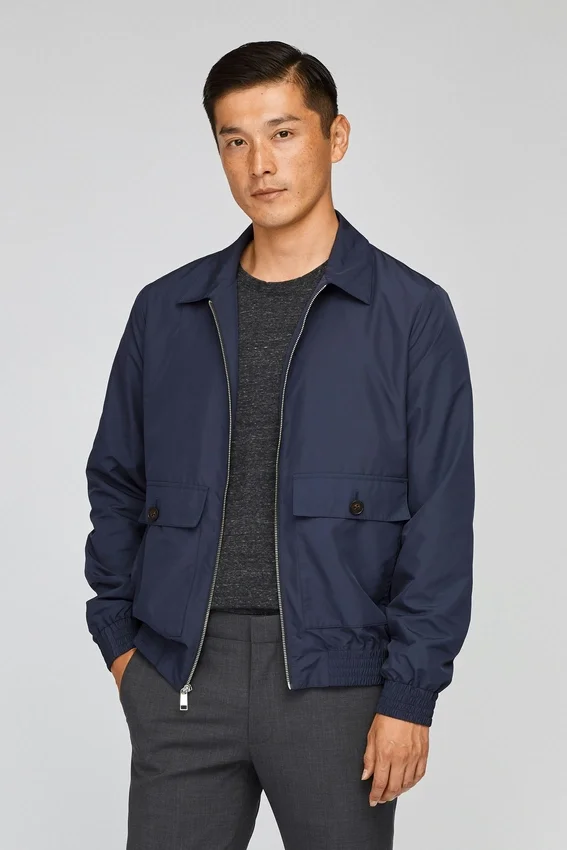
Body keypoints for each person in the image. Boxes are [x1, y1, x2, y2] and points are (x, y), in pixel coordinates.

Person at [84, 39, 475, 850]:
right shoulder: (166, 310)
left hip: (337, 683)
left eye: (283, 133)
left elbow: (440, 518)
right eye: (234, 140)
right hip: (181, 676)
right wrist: (121, 644)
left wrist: (409, 695)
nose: (259, 164)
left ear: (335, 137)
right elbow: (116, 478)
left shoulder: (410, 314)